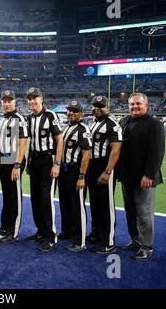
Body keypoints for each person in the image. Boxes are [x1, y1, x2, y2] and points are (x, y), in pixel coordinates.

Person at [118, 93, 165, 260]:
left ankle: (146, 247)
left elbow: (157, 152)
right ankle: (135, 240)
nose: (135, 107)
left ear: (146, 105)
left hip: (144, 178)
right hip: (126, 176)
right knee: (129, 210)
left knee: (144, 213)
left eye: (138, 104)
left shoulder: (155, 124)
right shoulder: (123, 121)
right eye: (132, 104)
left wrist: (149, 175)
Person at [25, 87, 63, 252]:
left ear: (41, 98)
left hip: (48, 159)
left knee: (46, 199)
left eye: (35, 98)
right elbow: (32, 142)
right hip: (35, 160)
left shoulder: (50, 116)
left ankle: (51, 236)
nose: (32, 101)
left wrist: (57, 163)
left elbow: (60, 140)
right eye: (29, 98)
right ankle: (40, 231)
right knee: (35, 198)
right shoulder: (30, 118)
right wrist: (29, 161)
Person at [87, 95, 122, 253]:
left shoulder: (112, 124)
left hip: (104, 165)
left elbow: (116, 149)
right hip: (92, 166)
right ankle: (96, 232)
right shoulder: (93, 123)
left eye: (101, 106)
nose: (97, 108)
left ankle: (108, 240)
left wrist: (108, 171)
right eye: (95, 105)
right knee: (94, 202)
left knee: (106, 204)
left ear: (107, 107)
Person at [58, 100, 92, 252]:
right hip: (64, 171)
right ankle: (67, 231)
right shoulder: (66, 127)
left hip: (74, 171)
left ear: (81, 113)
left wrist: (82, 176)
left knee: (77, 205)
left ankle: (80, 239)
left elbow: (86, 155)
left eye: (75, 111)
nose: (71, 113)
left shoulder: (83, 129)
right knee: (65, 203)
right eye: (70, 110)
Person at [0, 89, 28, 243]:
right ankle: (4, 226)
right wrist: (0, 160)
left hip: (15, 161)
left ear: (15, 102)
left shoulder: (19, 119)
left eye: (9, 101)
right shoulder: (3, 120)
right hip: (4, 161)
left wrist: (18, 164)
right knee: (7, 196)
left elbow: (23, 144)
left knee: (14, 197)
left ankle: (13, 231)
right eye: (4, 101)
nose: (7, 103)